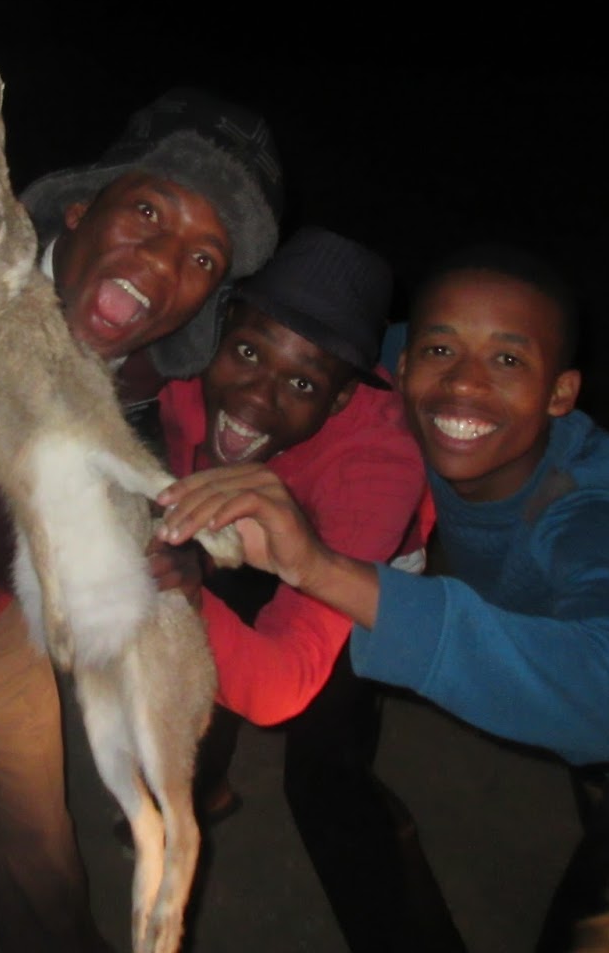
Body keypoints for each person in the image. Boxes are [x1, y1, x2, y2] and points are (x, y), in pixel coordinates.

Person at [160, 244, 609, 951]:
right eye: (441, 350)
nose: (464, 383)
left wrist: (319, 567)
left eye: (508, 360)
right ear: (403, 366)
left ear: (560, 393)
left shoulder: (602, 507)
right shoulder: (421, 396)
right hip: (569, 689)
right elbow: (309, 334)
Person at [0, 89, 283, 951]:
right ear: (80, 207)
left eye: (203, 258)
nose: (161, 264)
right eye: (149, 212)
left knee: (45, 862)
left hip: (3, 637)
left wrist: (186, 556)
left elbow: (155, 493)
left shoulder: (138, 371)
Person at [150, 226, 458, 952]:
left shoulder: (378, 464)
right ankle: (204, 788)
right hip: (237, 532)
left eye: (302, 383)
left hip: (353, 563)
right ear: (220, 331)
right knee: (206, 663)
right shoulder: (184, 373)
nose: (257, 398)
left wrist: (187, 594)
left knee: (325, 774)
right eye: (248, 353)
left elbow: (280, 687)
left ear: (344, 396)